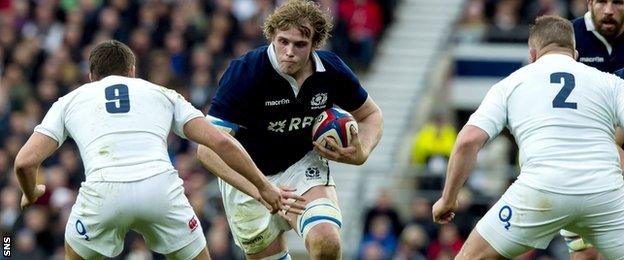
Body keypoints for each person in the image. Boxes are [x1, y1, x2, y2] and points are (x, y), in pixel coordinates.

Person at [14, 40, 305, 260]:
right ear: (132, 71)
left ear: (91, 77)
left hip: (103, 194)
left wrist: (30, 193)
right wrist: (264, 187)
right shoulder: (162, 93)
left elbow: (25, 162)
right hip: (160, 191)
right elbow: (221, 142)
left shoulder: (69, 100)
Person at [196, 0, 383, 259]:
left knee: (327, 242)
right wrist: (259, 188)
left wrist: (363, 151)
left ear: (315, 44)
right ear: (272, 36)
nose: (289, 52)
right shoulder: (246, 72)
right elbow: (207, 150)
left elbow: (371, 115)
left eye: (300, 44)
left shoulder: (331, 70)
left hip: (301, 167)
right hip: (247, 176)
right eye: (283, 41)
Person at [432, 16, 624, 259]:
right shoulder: (610, 83)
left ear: (532, 54)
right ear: (574, 53)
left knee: (470, 256)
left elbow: (468, 140)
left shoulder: (511, 84)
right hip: (604, 192)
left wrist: (448, 200)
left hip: (541, 190)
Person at [563, 1, 624, 257]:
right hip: (582, 156)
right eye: (601, 1)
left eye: (618, 2)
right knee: (585, 252)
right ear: (589, 2)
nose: (608, 10)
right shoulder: (568, 36)